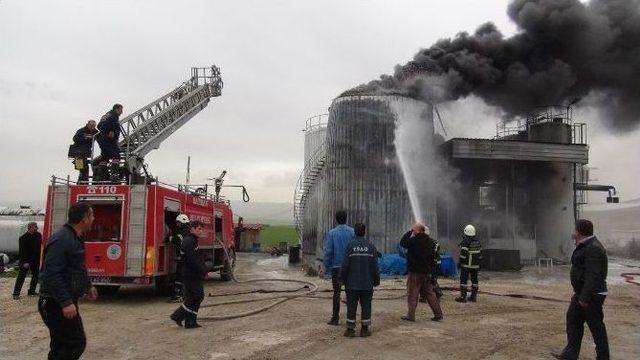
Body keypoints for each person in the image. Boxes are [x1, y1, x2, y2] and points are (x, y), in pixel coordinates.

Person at [38, 202, 98, 360]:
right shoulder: (62, 239)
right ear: (84, 219)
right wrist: (65, 302)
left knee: (60, 345)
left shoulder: (75, 238)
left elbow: (77, 266)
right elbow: (51, 273)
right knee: (75, 343)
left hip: (64, 300)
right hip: (54, 303)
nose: (94, 218)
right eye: (91, 215)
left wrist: (87, 286)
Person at [552, 219, 609, 360]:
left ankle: (603, 357)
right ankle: (570, 355)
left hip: (591, 295)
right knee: (573, 321)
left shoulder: (593, 248)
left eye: (575, 229)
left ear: (579, 231)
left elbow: (593, 275)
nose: (573, 232)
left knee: (596, 327)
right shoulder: (585, 245)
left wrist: (584, 298)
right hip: (581, 293)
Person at [339, 223, 380, 337]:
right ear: (364, 232)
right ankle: (365, 330)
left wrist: (341, 278)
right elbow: (375, 266)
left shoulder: (350, 246)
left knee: (351, 305)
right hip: (367, 282)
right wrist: (376, 280)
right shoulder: (371, 246)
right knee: (366, 305)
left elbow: (345, 264)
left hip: (352, 283)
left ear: (355, 232)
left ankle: (350, 330)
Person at [170, 220, 209, 329]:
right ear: (192, 228)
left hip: (193, 273)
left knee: (195, 296)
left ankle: (190, 322)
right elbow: (192, 260)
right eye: (199, 229)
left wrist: (204, 268)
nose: (201, 231)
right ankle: (178, 316)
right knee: (197, 295)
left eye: (202, 229)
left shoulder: (192, 240)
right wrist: (203, 271)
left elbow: (197, 258)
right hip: (190, 274)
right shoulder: (189, 241)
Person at [400, 223, 443, 322]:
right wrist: (432, 272)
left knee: (412, 293)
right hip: (427, 272)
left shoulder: (413, 240)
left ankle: (411, 316)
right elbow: (433, 258)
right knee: (430, 293)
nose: (413, 231)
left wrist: (410, 231)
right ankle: (438, 314)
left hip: (415, 272)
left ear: (419, 231)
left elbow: (402, 243)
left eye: (414, 229)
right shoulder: (431, 242)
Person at [320, 210, 354, 325]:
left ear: (336, 219)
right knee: (350, 293)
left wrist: (324, 266)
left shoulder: (332, 233)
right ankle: (351, 319)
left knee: (336, 293)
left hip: (337, 267)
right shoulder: (352, 232)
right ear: (346, 218)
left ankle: (335, 318)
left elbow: (328, 251)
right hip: (350, 266)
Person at [12, 222, 42, 299]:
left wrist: (40, 259)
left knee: (36, 276)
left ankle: (31, 291)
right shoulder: (23, 238)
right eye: (35, 227)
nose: (37, 228)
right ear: (30, 228)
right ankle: (16, 294)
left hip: (35, 260)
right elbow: (22, 252)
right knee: (21, 276)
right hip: (26, 260)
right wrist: (25, 262)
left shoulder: (38, 235)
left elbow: (39, 248)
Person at [96, 104, 123, 181]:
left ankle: (101, 176)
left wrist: (106, 132)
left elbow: (99, 126)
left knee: (105, 156)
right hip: (108, 140)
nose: (121, 112)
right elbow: (110, 124)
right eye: (121, 110)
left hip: (102, 139)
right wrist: (109, 132)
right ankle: (114, 175)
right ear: (116, 109)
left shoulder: (106, 115)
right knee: (116, 155)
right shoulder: (113, 115)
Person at [455, 224, 482, 303]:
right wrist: (480, 264)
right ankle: (473, 297)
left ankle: (463, 297)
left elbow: (463, 255)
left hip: (466, 265)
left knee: (463, 280)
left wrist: (460, 263)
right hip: (475, 266)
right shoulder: (477, 242)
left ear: (465, 232)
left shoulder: (465, 242)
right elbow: (480, 255)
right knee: (475, 280)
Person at [169, 214, 191, 301]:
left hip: (182, 259)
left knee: (179, 277)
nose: (177, 225)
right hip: (189, 259)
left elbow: (173, 240)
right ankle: (185, 295)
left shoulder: (180, 234)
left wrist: (169, 237)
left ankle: (178, 295)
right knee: (186, 277)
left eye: (178, 223)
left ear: (182, 223)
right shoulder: (190, 233)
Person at [421, 235, 442, 302]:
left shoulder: (425, 243)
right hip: (436, 263)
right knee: (433, 279)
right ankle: (437, 293)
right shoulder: (434, 242)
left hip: (431, 264)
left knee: (426, 280)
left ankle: (426, 297)